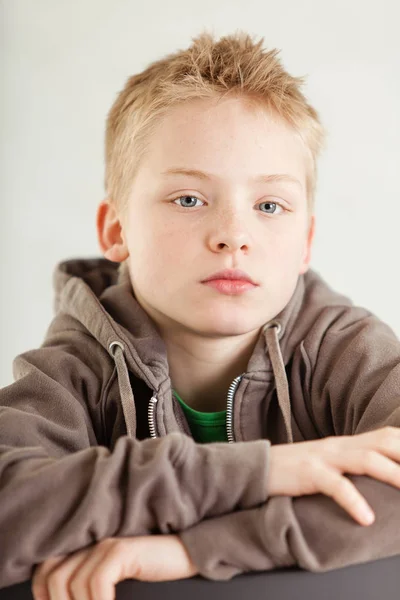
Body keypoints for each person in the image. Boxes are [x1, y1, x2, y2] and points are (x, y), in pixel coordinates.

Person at [1, 30, 400, 597]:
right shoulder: (72, 368)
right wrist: (266, 473)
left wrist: (193, 550)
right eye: (189, 199)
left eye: (269, 205)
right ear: (116, 231)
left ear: (305, 242)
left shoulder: (344, 346)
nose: (233, 235)